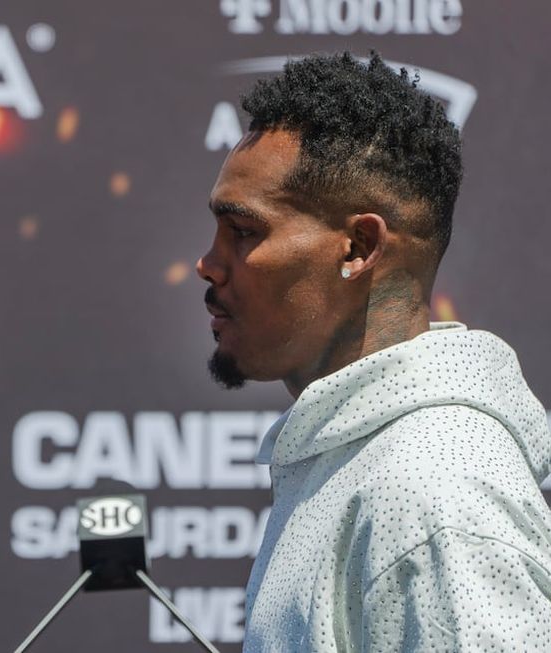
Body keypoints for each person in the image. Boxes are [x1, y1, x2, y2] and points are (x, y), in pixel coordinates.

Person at [196, 53, 551, 650]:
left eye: (244, 231)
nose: (208, 264)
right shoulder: (363, 457)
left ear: (358, 246)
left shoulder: (433, 487)